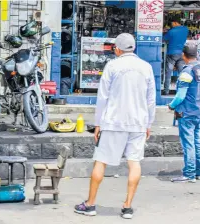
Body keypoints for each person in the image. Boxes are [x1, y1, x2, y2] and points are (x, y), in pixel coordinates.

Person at [74, 33, 156, 219]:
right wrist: (149, 123)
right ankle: (127, 206)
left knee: (101, 161)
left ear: (117, 49)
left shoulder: (112, 65)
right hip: (138, 123)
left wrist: (98, 124)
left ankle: (90, 204)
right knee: (134, 162)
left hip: (113, 122)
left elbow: (102, 97)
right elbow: (151, 99)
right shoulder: (147, 67)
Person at [168, 45, 200, 183]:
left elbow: (181, 95)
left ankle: (189, 174)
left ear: (183, 55)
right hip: (198, 111)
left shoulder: (186, 72)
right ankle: (198, 172)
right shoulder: (198, 69)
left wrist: (171, 105)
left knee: (188, 143)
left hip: (187, 112)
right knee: (198, 142)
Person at [163, 17, 189, 95]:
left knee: (168, 73)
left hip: (172, 54)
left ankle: (166, 91)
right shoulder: (185, 29)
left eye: (172, 23)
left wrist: (165, 32)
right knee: (182, 74)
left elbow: (164, 39)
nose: (171, 25)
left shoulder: (171, 31)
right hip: (181, 54)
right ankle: (182, 91)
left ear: (175, 23)